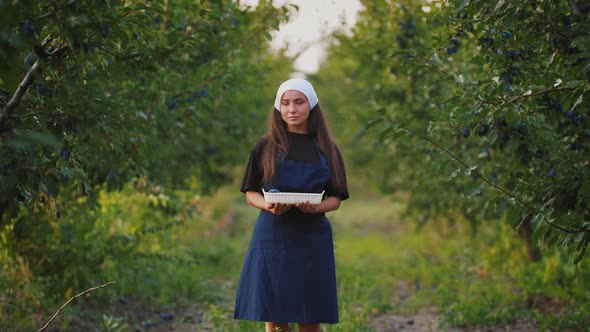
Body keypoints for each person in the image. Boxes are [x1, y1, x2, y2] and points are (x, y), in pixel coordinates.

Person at [234, 78, 349, 332]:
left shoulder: (328, 149)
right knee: (274, 313)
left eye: (299, 102)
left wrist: (316, 208)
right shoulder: (265, 145)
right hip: (272, 235)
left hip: (312, 239)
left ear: (312, 105)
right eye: (285, 103)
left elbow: (336, 198)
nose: (292, 109)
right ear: (278, 107)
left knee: (310, 314)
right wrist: (268, 205)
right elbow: (251, 192)